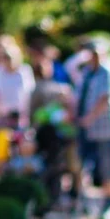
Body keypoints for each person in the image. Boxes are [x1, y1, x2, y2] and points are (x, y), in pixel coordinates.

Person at [74, 36, 110, 211]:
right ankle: (84, 203)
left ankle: (109, 201)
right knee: (84, 164)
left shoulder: (109, 70)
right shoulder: (87, 71)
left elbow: (105, 97)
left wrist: (89, 117)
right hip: (87, 128)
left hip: (105, 128)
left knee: (107, 166)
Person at [29, 56, 75, 204]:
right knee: (56, 166)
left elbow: (31, 114)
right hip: (55, 136)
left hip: (45, 135)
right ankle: (54, 197)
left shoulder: (37, 89)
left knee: (47, 166)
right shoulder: (59, 88)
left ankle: (47, 198)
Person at [0, 37, 35, 130]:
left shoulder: (25, 71)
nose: (9, 61)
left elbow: (29, 91)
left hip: (22, 115)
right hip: (4, 116)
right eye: (6, 58)